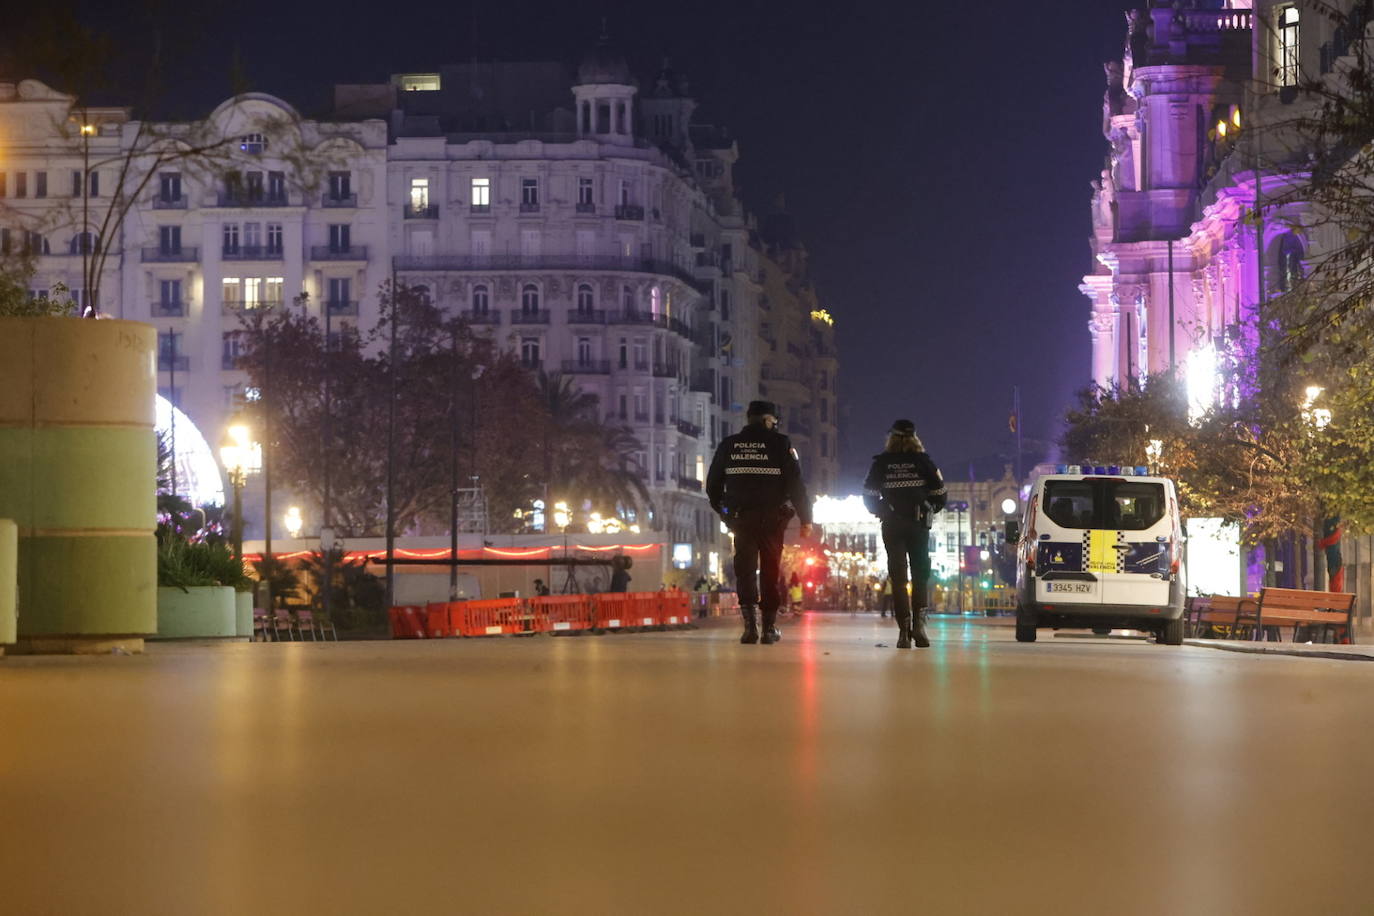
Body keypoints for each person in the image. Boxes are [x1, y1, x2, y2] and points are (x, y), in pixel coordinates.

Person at [706, 400, 813, 645]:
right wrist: (806, 518)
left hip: (741, 518)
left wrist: (725, 513)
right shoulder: (781, 444)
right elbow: (796, 485)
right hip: (772, 518)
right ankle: (768, 628)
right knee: (770, 570)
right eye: (774, 422)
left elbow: (713, 486)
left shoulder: (729, 445)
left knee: (744, 570)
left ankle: (749, 627)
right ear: (767, 420)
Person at [863, 419, 947, 649]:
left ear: (891, 438)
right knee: (920, 575)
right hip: (918, 524)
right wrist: (928, 508)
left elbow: (868, 493)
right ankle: (919, 629)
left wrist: (882, 510)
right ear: (914, 438)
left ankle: (903, 633)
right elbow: (940, 492)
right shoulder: (923, 462)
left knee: (899, 578)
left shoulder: (882, 463)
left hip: (892, 525)